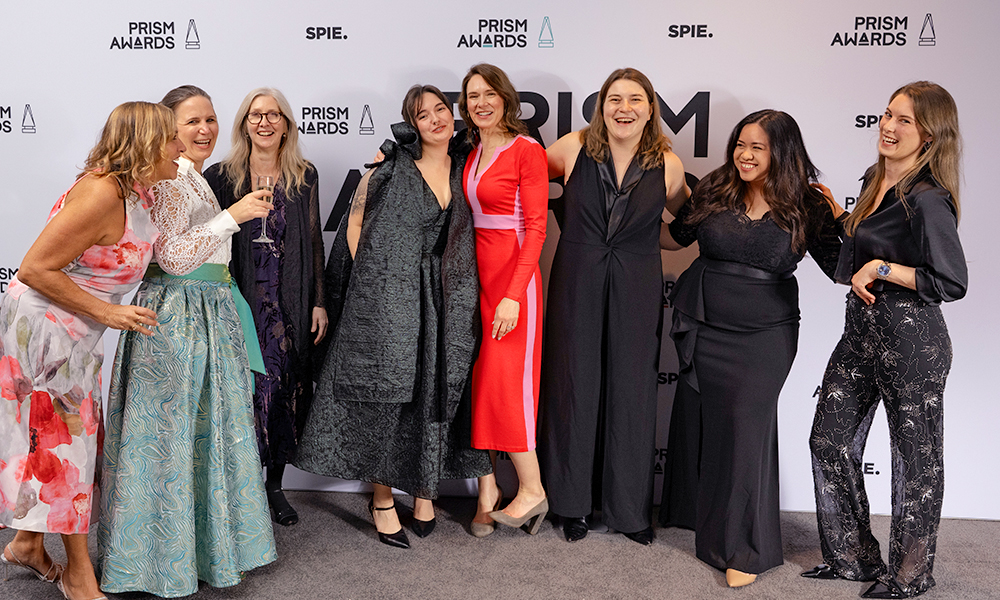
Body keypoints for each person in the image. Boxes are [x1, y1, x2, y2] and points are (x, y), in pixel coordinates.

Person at [96, 86, 277, 597]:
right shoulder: (170, 178)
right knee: (170, 439)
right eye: (192, 122)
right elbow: (172, 257)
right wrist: (233, 217)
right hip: (178, 317)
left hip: (207, 311)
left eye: (211, 120)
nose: (205, 130)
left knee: (200, 434)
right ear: (166, 131)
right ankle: (157, 561)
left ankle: (194, 552)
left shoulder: (192, 176)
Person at [296, 85, 492, 548]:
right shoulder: (390, 166)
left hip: (447, 298)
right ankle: (381, 498)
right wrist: (376, 281)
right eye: (423, 115)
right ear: (413, 124)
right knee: (382, 395)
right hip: (388, 294)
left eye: (440, 110)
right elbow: (355, 223)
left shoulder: (470, 165)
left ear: (453, 114)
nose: (435, 120)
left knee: (432, 392)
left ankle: (424, 491)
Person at [0, 101, 179, 600]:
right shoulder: (101, 192)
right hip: (44, 330)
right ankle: (79, 575)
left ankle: (27, 543)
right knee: (69, 447)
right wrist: (108, 313)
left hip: (75, 333)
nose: (181, 147)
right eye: (172, 139)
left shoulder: (139, 191)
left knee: (56, 443)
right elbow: (34, 268)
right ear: (145, 143)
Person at [658, 110, 843, 587]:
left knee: (745, 428)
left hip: (765, 333)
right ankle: (702, 516)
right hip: (705, 320)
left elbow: (840, 267)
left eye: (757, 147)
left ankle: (747, 547)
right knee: (707, 421)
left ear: (781, 152)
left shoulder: (808, 205)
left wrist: (850, 223)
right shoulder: (715, 189)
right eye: (740, 144)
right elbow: (672, 237)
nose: (744, 154)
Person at [804, 82, 966, 600]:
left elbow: (951, 281)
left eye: (905, 121)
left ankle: (910, 574)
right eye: (887, 115)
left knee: (914, 460)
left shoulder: (928, 199)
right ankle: (852, 558)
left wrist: (883, 267)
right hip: (861, 334)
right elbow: (844, 270)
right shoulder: (874, 181)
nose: (889, 127)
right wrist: (832, 221)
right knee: (828, 440)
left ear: (929, 137)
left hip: (912, 340)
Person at [538, 68, 688, 545]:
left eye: (636, 99)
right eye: (614, 99)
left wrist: (644, 239)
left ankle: (629, 511)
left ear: (650, 107)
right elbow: (518, 186)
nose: (625, 108)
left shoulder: (669, 164)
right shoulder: (570, 147)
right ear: (601, 105)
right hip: (577, 276)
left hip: (637, 282)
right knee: (573, 383)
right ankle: (571, 505)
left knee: (633, 389)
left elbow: (682, 226)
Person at [204, 88, 328, 526]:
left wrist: (317, 302)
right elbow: (210, 238)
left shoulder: (303, 175)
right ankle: (240, 492)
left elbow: (313, 242)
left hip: (287, 304)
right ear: (244, 123)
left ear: (286, 124)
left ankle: (274, 486)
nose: (265, 122)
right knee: (243, 395)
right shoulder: (222, 176)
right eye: (256, 114)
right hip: (239, 301)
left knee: (283, 395)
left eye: (274, 114)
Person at [456, 63, 549, 536]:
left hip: (514, 279)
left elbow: (536, 228)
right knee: (484, 386)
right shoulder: (471, 152)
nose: (481, 102)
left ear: (506, 98)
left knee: (508, 384)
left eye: (490, 93)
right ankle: (489, 489)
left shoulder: (526, 150)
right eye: (473, 96)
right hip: (478, 279)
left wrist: (515, 296)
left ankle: (532, 489)